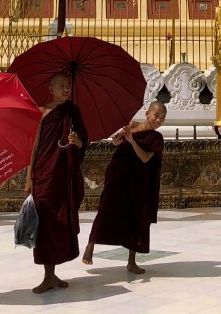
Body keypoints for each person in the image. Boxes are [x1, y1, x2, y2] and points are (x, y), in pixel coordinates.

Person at [82, 100, 166, 276]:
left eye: (162, 118)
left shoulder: (157, 138)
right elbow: (115, 143)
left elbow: (144, 158)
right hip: (119, 173)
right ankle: (90, 245)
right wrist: (119, 137)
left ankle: (131, 261)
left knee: (136, 216)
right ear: (147, 114)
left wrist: (132, 141)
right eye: (156, 115)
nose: (158, 120)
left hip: (139, 179)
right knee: (106, 208)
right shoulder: (132, 125)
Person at [24, 71, 88, 293]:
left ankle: (53, 274)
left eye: (67, 85)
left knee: (60, 224)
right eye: (61, 85)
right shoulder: (42, 113)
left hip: (64, 178)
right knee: (45, 225)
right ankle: (47, 276)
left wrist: (77, 141)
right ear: (51, 89)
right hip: (43, 177)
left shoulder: (73, 113)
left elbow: (83, 144)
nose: (66, 89)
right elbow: (33, 148)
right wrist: (29, 177)